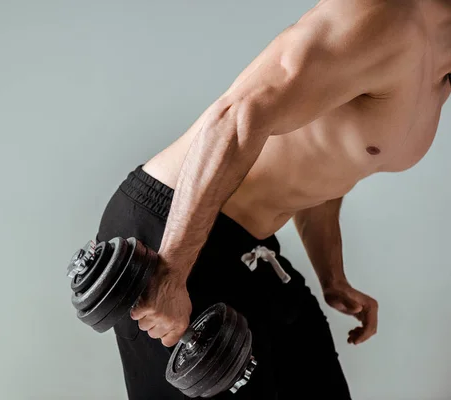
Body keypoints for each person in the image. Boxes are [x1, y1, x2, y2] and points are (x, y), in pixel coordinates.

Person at [94, 0, 451, 398]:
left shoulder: (440, 72)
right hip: (170, 231)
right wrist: (172, 270)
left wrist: (332, 275)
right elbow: (238, 116)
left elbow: (325, 161)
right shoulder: (384, 15)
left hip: (245, 247)